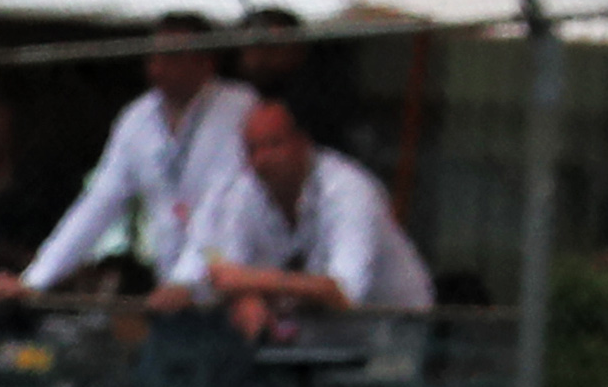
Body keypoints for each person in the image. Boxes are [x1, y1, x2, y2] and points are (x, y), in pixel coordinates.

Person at [0, 14, 252, 295]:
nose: (158, 67)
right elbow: (98, 203)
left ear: (206, 62)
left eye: (172, 57)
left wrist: (187, 279)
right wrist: (35, 279)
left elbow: (221, 202)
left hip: (232, 287)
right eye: (154, 57)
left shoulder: (239, 109)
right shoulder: (138, 118)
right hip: (170, 287)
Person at [177, 91, 430, 335]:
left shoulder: (349, 189)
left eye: (274, 144)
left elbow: (342, 294)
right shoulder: (245, 191)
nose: (262, 160)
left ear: (302, 142)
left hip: (395, 328)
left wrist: (250, 280)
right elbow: (225, 271)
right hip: (318, 335)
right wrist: (247, 296)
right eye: (252, 150)